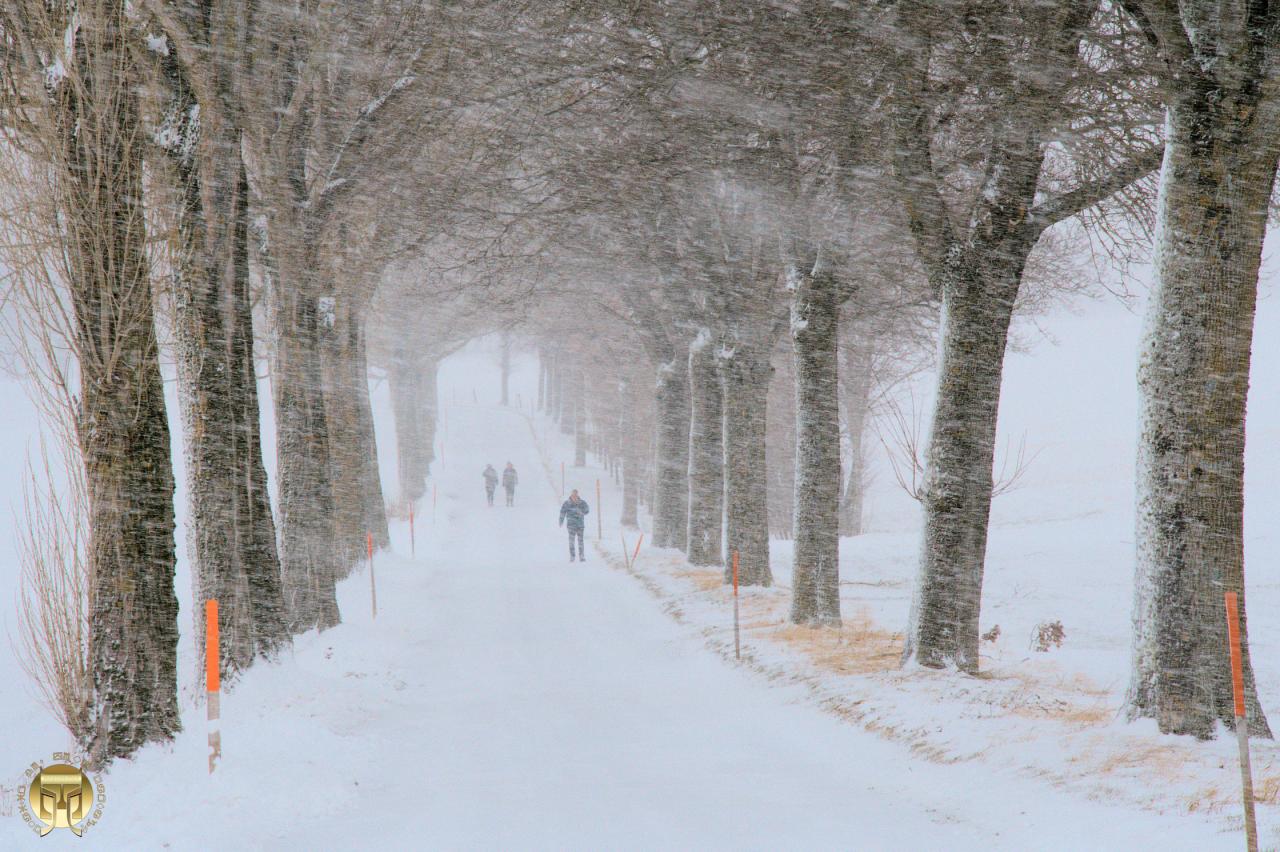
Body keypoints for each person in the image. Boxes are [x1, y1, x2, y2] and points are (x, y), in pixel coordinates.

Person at [558, 489, 590, 562]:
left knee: (580, 541)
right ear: (571, 495)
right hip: (571, 525)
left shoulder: (582, 503)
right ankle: (572, 556)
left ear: (578, 495)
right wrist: (561, 520)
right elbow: (562, 512)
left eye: (576, 495)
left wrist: (582, 512)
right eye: (573, 495)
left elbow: (587, 510)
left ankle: (581, 556)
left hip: (580, 525)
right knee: (571, 541)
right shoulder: (567, 503)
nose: (575, 496)